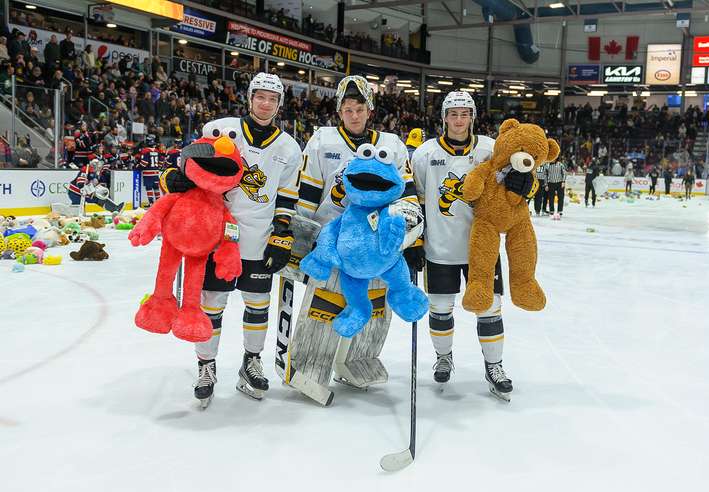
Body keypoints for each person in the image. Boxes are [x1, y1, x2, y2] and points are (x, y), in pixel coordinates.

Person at [162, 73, 302, 406]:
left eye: (272, 98)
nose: (265, 103)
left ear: (279, 104)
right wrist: (175, 177)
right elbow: (193, 163)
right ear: (250, 98)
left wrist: (282, 233)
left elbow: (286, 194)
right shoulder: (221, 128)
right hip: (215, 234)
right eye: (260, 97)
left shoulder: (289, 147)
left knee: (258, 305)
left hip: (258, 236)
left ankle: (251, 362)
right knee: (212, 305)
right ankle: (206, 366)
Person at [294, 75, 422, 391]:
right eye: (348, 108)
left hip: (380, 245)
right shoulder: (322, 141)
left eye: (360, 108)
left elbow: (406, 194)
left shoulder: (391, 145)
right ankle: (310, 364)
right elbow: (308, 190)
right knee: (323, 307)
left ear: (370, 110)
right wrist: (299, 234)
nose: (354, 114)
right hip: (333, 242)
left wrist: (413, 239)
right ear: (339, 111)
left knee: (376, 307)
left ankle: (358, 358)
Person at [410, 90, 537, 401]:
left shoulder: (490, 149)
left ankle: (494, 367)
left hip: (483, 245)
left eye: (464, 114)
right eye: (452, 114)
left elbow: (522, 182)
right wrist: (415, 241)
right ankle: (444, 358)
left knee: (490, 308)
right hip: (440, 247)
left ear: (472, 117)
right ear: (443, 118)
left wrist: (528, 186)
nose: (458, 120)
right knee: (440, 309)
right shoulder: (425, 154)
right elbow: (418, 199)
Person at [135, 134, 162, 206]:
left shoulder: (145, 151)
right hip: (156, 173)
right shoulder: (157, 151)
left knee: (149, 188)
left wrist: (138, 167)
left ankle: (151, 203)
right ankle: (158, 203)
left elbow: (144, 163)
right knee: (156, 187)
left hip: (148, 173)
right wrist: (156, 168)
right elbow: (161, 162)